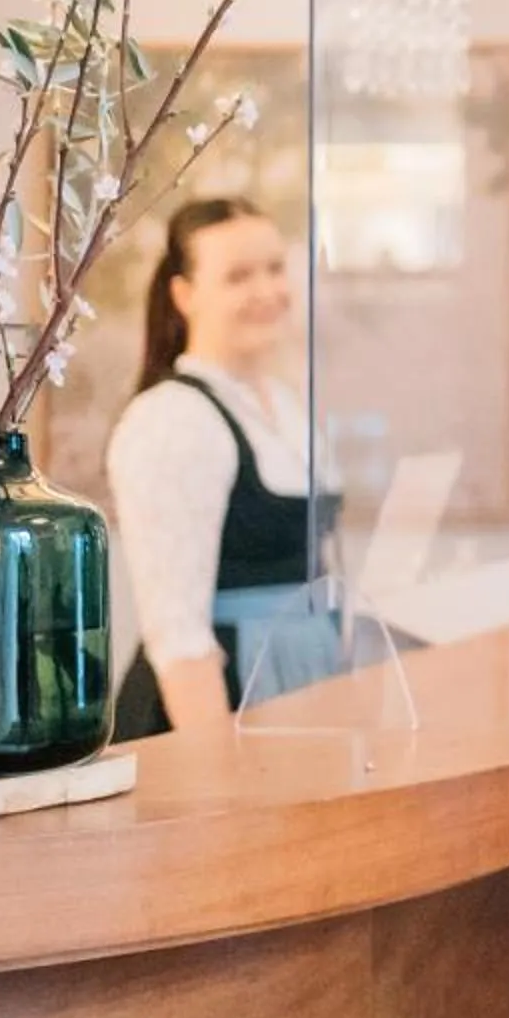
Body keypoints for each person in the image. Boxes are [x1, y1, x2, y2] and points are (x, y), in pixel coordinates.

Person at [106, 199, 334, 738]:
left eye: (275, 270)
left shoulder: (286, 405)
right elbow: (177, 634)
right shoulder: (172, 418)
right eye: (238, 276)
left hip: (301, 686)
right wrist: (217, 778)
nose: (266, 292)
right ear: (184, 295)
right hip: (218, 712)